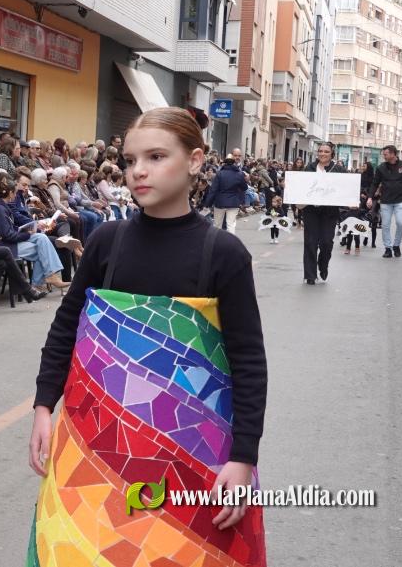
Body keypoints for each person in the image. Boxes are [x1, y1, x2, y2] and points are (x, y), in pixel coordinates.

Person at [27, 107, 266, 566]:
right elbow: (67, 327)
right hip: (96, 444)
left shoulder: (223, 254)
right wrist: (43, 406)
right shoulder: (106, 242)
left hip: (193, 454)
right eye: (131, 159)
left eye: (156, 156)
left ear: (195, 161)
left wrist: (242, 459)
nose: (139, 171)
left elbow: (248, 363)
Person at [0, 178, 68, 294]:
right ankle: (40, 283)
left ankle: (47, 277)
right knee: (42, 250)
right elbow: (7, 235)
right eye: (15, 192)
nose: (16, 195)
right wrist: (26, 233)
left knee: (42, 238)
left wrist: (29, 230)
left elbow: (9, 230)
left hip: (11, 242)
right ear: (10, 193)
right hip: (7, 246)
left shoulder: (1, 206)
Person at [299, 142, 346, 284]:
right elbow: (302, 186)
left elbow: (345, 188)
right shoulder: (309, 168)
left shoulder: (338, 169)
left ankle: (323, 264)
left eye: (326, 151)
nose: (323, 154)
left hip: (329, 212)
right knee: (310, 242)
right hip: (311, 210)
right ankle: (310, 275)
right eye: (320, 151)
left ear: (332, 154)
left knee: (326, 242)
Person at [372, 145, 402, 259]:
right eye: (383, 154)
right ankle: (388, 248)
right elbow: (375, 183)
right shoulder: (381, 168)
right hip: (385, 201)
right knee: (385, 225)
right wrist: (370, 197)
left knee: (400, 223)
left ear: (393, 154)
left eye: (386, 154)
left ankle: (396, 245)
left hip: (400, 200)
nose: (384, 156)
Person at [203, 155, 247, 234]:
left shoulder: (220, 174)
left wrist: (208, 203)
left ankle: (216, 243)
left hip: (220, 202)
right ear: (233, 163)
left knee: (217, 225)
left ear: (225, 163)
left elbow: (213, 190)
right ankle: (230, 244)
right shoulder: (239, 174)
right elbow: (244, 187)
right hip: (233, 202)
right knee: (231, 225)